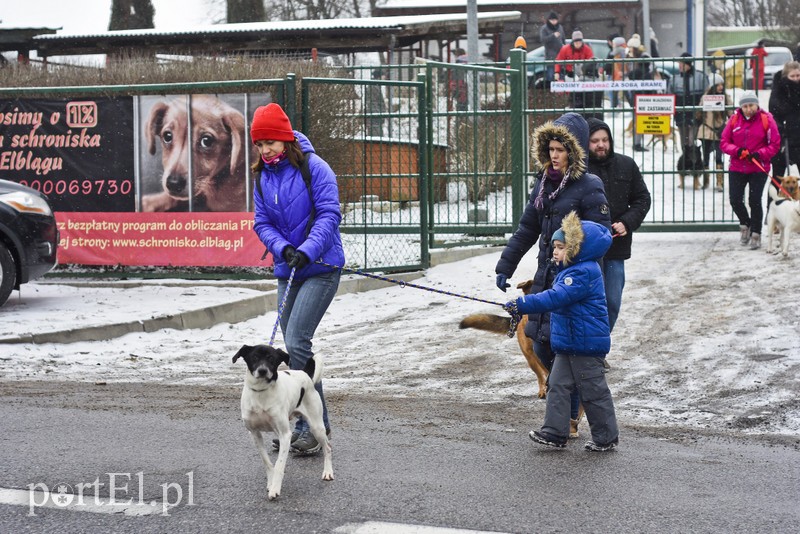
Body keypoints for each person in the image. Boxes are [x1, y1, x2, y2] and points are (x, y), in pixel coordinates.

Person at [495, 112, 611, 437]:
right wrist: (506, 264)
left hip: (573, 282)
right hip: (546, 275)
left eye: (561, 149)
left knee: (566, 348)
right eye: (551, 149)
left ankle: (570, 420)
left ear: (573, 151)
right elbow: (527, 228)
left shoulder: (590, 186)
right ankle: (570, 414)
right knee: (540, 342)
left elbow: (601, 234)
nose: (554, 155)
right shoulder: (543, 184)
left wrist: (570, 251)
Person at [250, 102, 345, 454]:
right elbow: (261, 222)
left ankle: (312, 427)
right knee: (290, 352)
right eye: (259, 144)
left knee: (298, 342)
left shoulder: (315, 168)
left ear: (286, 138)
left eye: (270, 142)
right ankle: (304, 422)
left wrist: (307, 248)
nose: (265, 150)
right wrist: (284, 247)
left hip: (321, 267)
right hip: (288, 268)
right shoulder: (262, 175)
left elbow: (330, 213)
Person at [505, 211, 618, 451]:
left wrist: (523, 304)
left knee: (593, 392)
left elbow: (556, 297)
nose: (554, 252)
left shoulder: (582, 272)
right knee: (556, 384)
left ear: (578, 249)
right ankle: (555, 432)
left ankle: (606, 437)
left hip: (586, 345)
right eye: (554, 247)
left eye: (560, 247)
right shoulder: (570, 271)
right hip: (569, 343)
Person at [586, 118, 652, 332]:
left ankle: (598, 349)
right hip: (584, 248)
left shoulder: (626, 164)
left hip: (616, 247)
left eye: (605, 139)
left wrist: (627, 222)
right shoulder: (579, 169)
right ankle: (587, 354)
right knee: (586, 304)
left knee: (611, 302)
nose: (601, 145)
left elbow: (642, 198)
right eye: (595, 140)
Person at [720, 92, 781, 250]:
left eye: (751, 105)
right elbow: (724, 142)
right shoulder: (734, 120)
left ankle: (756, 233)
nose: (748, 109)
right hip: (737, 167)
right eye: (745, 106)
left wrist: (759, 154)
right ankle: (745, 224)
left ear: (757, 105)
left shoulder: (766, 119)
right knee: (735, 200)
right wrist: (737, 151)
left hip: (758, 167)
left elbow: (774, 144)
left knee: (754, 200)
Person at [695, 73, 732, 191]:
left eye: (722, 84)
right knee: (705, 157)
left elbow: (731, 114)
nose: (721, 87)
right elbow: (699, 112)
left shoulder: (726, 97)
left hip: (720, 131)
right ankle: (706, 181)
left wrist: (726, 124)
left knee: (719, 158)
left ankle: (719, 183)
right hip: (706, 130)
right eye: (718, 85)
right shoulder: (706, 97)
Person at [669, 52, 710, 156]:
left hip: (695, 113)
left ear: (688, 64)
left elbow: (707, 94)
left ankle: (693, 160)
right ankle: (685, 161)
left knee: (692, 139)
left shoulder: (700, 77)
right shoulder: (674, 79)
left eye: (681, 64)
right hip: (680, 114)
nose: (679, 66)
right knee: (683, 140)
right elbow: (669, 95)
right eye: (679, 64)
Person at [555, 31, 601, 119]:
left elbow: (592, 62)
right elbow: (558, 61)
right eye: (576, 42)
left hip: (583, 76)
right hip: (569, 74)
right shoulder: (565, 49)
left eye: (579, 42)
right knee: (569, 93)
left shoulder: (587, 49)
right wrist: (557, 72)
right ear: (573, 42)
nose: (578, 44)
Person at [768, 61, 800, 179]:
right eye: (792, 76)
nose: (796, 79)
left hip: (798, 138)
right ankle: (774, 197)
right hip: (783, 139)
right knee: (778, 177)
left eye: (798, 76)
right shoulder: (779, 90)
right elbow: (774, 111)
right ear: (786, 76)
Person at [539, 11, 565, 86]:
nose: (554, 22)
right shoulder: (544, 28)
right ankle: (551, 93)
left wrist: (564, 47)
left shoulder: (560, 27)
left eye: (555, 20)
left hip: (560, 56)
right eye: (552, 20)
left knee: (561, 77)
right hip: (550, 57)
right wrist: (553, 36)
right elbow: (543, 40)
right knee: (550, 76)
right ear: (549, 20)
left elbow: (563, 39)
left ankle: (561, 93)